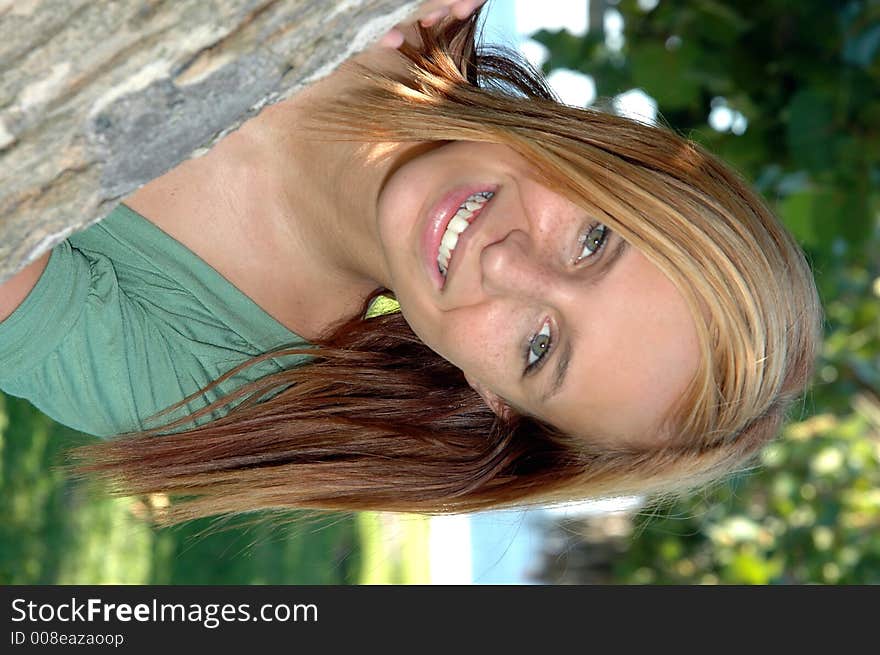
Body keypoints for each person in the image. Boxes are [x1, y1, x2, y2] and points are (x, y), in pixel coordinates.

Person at [0, 1, 824, 525]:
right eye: (594, 240)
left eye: (540, 346)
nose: (510, 266)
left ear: (492, 393)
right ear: (614, 157)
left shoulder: (209, 377)